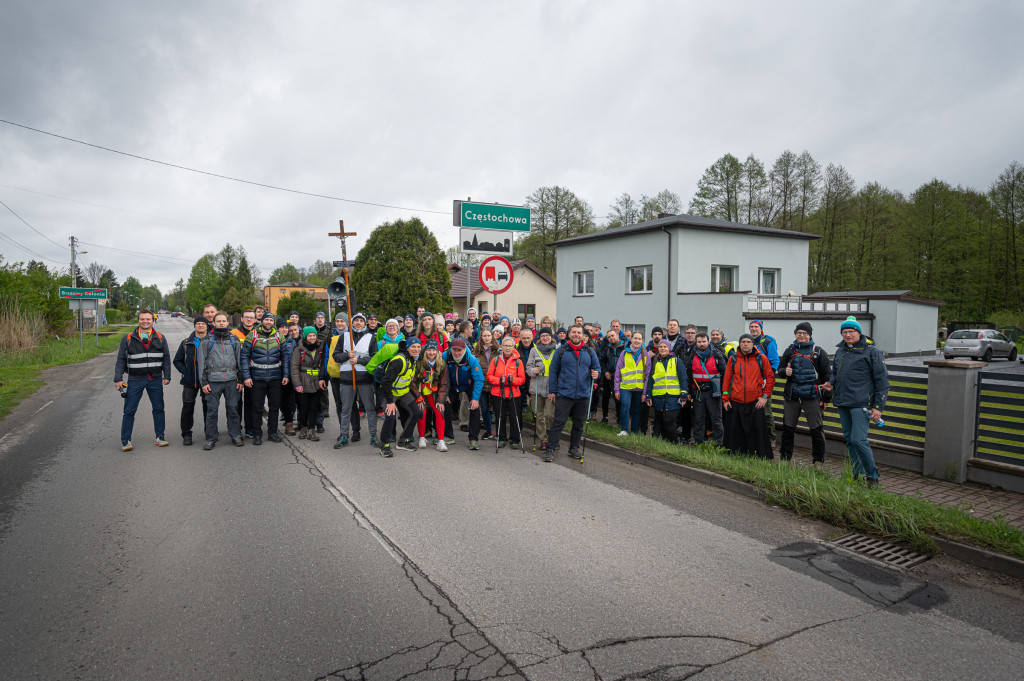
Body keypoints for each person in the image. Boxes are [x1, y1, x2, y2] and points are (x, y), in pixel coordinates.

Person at [822, 317, 889, 487]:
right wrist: (831, 383)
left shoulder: (872, 351)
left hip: (862, 404)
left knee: (859, 440)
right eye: (844, 332)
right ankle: (857, 474)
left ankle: (872, 476)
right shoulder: (841, 351)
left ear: (859, 332)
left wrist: (878, 407)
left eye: (851, 331)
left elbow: (882, 381)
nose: (848, 334)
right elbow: (837, 373)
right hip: (843, 402)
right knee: (850, 440)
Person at [542, 324, 601, 462]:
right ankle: (550, 449)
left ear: (583, 335)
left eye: (579, 332)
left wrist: (596, 373)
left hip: (583, 394)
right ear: (569, 334)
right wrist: (552, 391)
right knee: (558, 423)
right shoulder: (561, 350)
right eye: (573, 332)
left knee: (578, 424)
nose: (576, 334)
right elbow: (553, 370)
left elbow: (597, 367)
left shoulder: (590, 351)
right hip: (564, 394)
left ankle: (573, 448)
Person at [114, 309, 172, 451]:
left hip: (155, 379)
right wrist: (118, 378)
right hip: (135, 379)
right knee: (129, 410)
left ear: (153, 321)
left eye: (148, 319)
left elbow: (166, 358)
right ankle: (125, 440)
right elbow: (121, 359)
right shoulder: (128, 338)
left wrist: (167, 376)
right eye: (142, 319)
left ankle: (160, 437)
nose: (145, 322)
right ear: (138, 320)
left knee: (158, 409)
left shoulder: (160, 337)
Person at [778, 322, 831, 467]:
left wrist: (826, 398)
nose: (801, 335)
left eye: (805, 333)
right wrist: (785, 372)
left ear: (810, 335)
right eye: (799, 333)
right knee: (788, 430)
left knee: (816, 430)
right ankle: (784, 459)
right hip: (792, 397)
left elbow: (827, 376)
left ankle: (818, 462)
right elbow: (780, 370)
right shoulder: (790, 351)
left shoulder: (819, 352)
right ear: (795, 334)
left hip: (813, 397)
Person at [722, 334, 775, 458]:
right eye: (743, 342)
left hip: (755, 402)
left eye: (748, 342)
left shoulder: (761, 358)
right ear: (739, 344)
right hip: (736, 401)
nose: (745, 344)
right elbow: (726, 380)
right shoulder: (733, 359)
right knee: (735, 433)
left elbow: (771, 378)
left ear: (753, 344)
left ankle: (759, 456)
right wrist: (725, 399)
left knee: (757, 433)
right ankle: (736, 455)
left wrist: (765, 396)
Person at [198, 311, 244, 449]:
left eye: (223, 321)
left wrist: (240, 380)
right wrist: (204, 383)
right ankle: (211, 438)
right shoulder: (206, 340)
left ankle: (235, 435)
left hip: (231, 380)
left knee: (233, 409)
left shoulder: (234, 339)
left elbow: (239, 360)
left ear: (227, 322)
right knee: (211, 410)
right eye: (218, 321)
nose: (221, 323)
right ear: (213, 323)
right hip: (213, 381)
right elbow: (201, 363)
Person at [240, 312, 287, 445]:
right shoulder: (252, 336)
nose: (268, 322)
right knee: (257, 407)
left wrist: (286, 375)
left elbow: (286, 357)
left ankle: (272, 433)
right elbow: (244, 357)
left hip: (275, 377)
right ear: (262, 321)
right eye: (266, 319)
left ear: (273, 323)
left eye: (271, 320)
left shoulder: (279, 336)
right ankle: (257, 434)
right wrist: (246, 376)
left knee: (274, 407)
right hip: (257, 377)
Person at [379, 337, 423, 457]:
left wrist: (418, 398)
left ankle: (403, 441)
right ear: (407, 347)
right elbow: (386, 382)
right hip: (389, 392)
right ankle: (384, 445)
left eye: (418, 347)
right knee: (391, 416)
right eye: (413, 346)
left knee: (416, 412)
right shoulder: (399, 360)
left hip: (403, 392)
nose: (416, 349)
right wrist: (389, 402)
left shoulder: (413, 359)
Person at [172, 316, 209, 446]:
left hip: (208, 380)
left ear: (206, 326)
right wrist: (185, 371)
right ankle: (186, 434)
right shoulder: (186, 342)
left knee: (208, 407)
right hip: (190, 380)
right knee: (188, 408)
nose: (200, 326)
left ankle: (209, 433)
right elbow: (177, 360)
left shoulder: (212, 341)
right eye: (198, 323)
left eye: (203, 324)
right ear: (194, 326)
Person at [443, 338, 484, 449]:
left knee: (474, 408)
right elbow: (440, 376)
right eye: (454, 350)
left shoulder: (471, 359)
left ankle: (473, 439)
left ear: (464, 349)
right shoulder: (445, 356)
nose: (456, 353)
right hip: (452, 386)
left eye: (459, 350)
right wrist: (444, 393)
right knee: (445, 405)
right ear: (450, 349)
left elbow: (479, 379)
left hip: (468, 385)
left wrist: (475, 398)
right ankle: (448, 435)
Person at [645, 339, 689, 443]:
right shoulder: (654, 362)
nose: (663, 348)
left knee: (669, 420)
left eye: (665, 347)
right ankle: (666, 443)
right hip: (658, 397)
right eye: (661, 347)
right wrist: (648, 395)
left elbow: (683, 378)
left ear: (669, 348)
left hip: (673, 397)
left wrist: (684, 394)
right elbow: (650, 380)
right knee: (661, 421)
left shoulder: (676, 361)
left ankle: (674, 443)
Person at [487, 336, 525, 448]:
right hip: (498, 393)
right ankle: (501, 438)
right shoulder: (496, 360)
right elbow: (489, 376)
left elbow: (522, 379)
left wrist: (512, 380)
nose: (508, 348)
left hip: (514, 393)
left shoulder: (518, 361)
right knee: (500, 416)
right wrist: (499, 380)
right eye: (505, 345)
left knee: (514, 417)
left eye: (510, 346)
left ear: (513, 347)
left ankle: (515, 440)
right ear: (502, 347)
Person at [689, 332, 726, 445]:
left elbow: (725, 373)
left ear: (708, 342)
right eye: (699, 342)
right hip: (698, 391)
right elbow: (688, 373)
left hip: (713, 391)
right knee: (698, 419)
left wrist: (723, 391)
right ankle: (699, 443)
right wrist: (690, 391)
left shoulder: (716, 354)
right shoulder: (692, 354)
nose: (701, 344)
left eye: (704, 341)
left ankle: (718, 444)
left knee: (716, 419)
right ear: (696, 342)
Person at [290, 326, 327, 441]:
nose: (312, 338)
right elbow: (294, 368)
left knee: (314, 407)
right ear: (305, 337)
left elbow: (322, 364)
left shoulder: (320, 347)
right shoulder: (298, 349)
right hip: (303, 380)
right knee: (304, 407)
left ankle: (311, 430)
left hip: (316, 381)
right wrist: (298, 385)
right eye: (309, 335)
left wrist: (322, 379)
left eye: (314, 335)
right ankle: (303, 428)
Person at [413, 340, 450, 451]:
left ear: (437, 351)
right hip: (421, 393)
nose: (431, 352)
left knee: (439, 411)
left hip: (434, 393)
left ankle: (441, 441)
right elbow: (413, 382)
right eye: (429, 350)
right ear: (425, 351)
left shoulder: (442, 364)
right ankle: (422, 438)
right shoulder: (419, 363)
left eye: (433, 350)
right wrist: (418, 397)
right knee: (421, 411)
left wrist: (440, 400)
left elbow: (444, 383)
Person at [526, 327, 558, 449]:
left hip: (552, 389)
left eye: (548, 335)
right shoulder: (534, 350)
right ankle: (543, 439)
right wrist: (534, 371)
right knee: (538, 415)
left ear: (551, 337)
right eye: (543, 335)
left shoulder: (557, 350)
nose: (545, 338)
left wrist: (555, 389)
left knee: (551, 415)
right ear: (539, 338)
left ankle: (554, 438)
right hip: (537, 388)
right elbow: (528, 368)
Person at [749, 320, 780, 444]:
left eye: (756, 327)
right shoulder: (748, 341)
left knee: (766, 412)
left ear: (760, 328)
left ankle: (771, 438)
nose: (753, 329)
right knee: (751, 410)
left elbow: (775, 361)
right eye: (751, 327)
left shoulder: (767, 342)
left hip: (764, 383)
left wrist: (767, 379)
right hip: (750, 383)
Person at [614, 331, 649, 436]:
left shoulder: (646, 354)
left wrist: (644, 393)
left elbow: (647, 375)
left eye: (639, 339)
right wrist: (616, 389)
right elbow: (617, 372)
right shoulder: (624, 353)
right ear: (631, 339)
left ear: (642, 341)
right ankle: (624, 430)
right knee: (625, 406)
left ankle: (634, 432)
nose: (637, 340)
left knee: (636, 410)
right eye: (635, 338)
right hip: (625, 387)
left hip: (639, 388)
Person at [231, 309, 258, 438]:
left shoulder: (258, 333)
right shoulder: (233, 333)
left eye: (251, 317)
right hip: (235, 371)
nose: (249, 319)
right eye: (246, 317)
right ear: (241, 319)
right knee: (235, 402)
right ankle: (235, 429)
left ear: (255, 320)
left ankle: (250, 428)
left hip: (252, 371)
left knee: (250, 402)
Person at [474, 328, 498, 440]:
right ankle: (489, 430)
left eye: (489, 335)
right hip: (482, 384)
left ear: (492, 336)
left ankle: (498, 431)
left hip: (495, 384)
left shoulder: (498, 350)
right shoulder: (477, 350)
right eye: (485, 336)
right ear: (481, 337)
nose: (487, 338)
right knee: (484, 408)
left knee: (498, 409)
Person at [598, 328, 624, 423]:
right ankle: (605, 417)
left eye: (612, 336)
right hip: (608, 376)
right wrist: (605, 372)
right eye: (609, 337)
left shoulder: (625, 347)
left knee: (618, 398)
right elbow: (602, 361)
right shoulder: (607, 349)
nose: (611, 338)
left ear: (617, 335)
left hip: (621, 377)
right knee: (605, 397)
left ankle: (619, 418)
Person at [280, 322, 301, 435]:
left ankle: (296, 423)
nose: (293, 332)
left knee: (295, 400)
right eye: (290, 330)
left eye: (295, 330)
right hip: (281, 374)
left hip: (294, 375)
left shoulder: (297, 341)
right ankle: (288, 423)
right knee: (283, 401)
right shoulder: (283, 341)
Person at [313, 311, 332, 433]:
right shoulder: (311, 330)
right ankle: (315, 408)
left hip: (324, 358)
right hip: (313, 359)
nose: (320, 320)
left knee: (324, 386)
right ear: (315, 319)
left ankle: (325, 409)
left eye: (322, 318)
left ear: (324, 319)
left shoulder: (328, 331)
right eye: (318, 318)